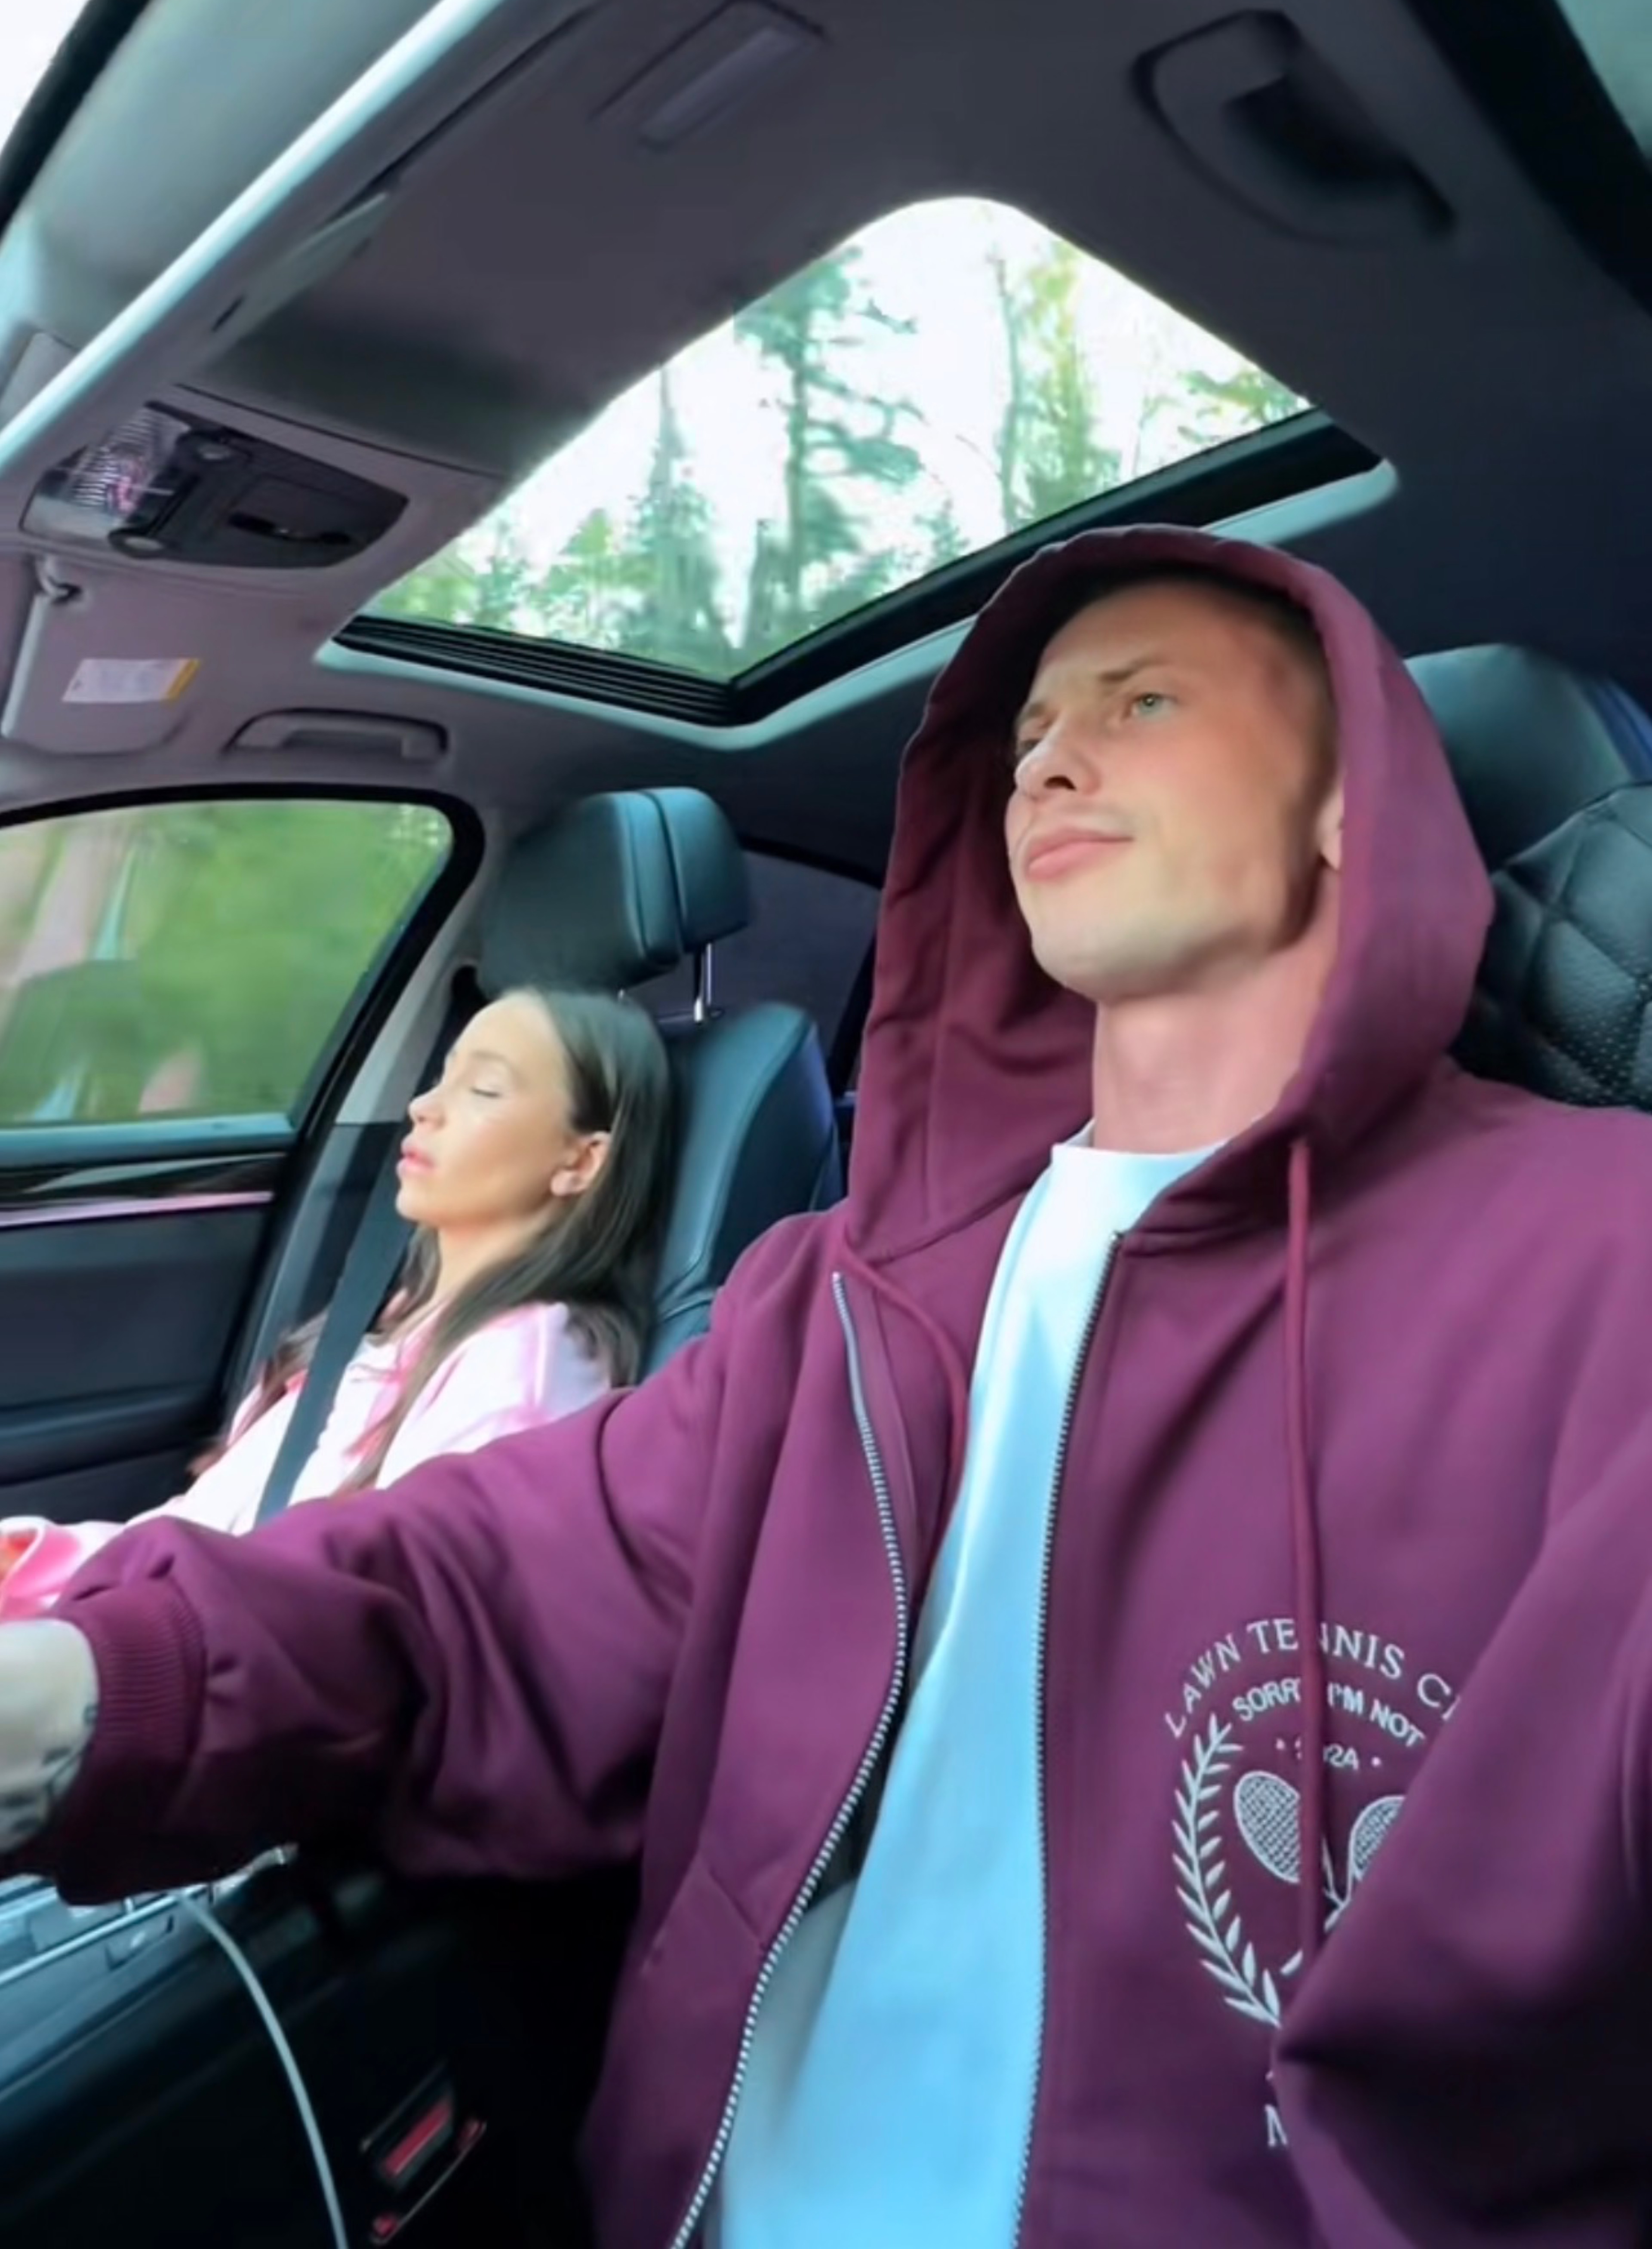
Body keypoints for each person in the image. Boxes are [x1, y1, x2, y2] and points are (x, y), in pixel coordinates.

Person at [8, 522, 1652, 2246]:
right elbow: (472, 1588)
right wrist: (81, 1689)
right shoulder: (838, 1307)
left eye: (1144, 700)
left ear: (1347, 805)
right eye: (1028, 736)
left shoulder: (1601, 1262)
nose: (1051, 762)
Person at [0, 985, 674, 1615]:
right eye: (442, 1076)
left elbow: (378, 1617)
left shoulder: (523, 1366)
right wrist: (34, 1562)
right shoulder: (394, 1324)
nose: (424, 1105)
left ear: (579, 1162)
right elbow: (209, 1525)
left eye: (484, 1089)